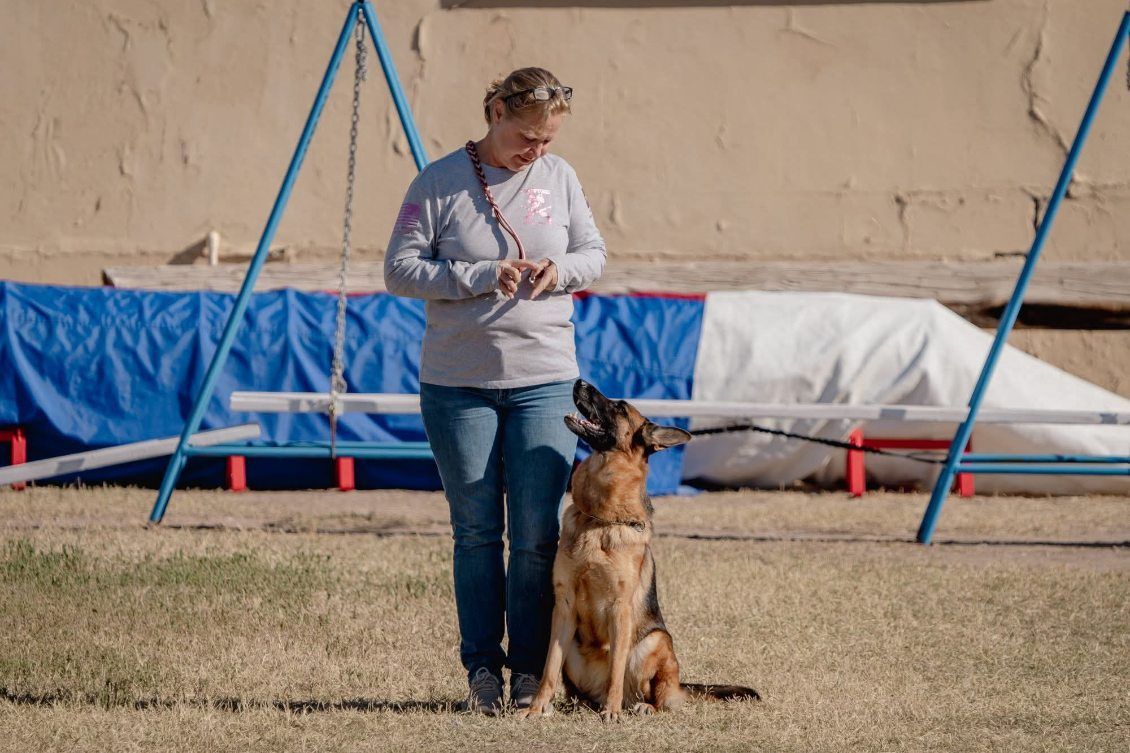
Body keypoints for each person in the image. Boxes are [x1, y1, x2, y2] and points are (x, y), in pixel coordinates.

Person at [383, 67, 606, 714]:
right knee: (477, 530)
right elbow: (400, 269)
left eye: (547, 140)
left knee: (536, 534)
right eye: (527, 136)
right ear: (495, 111)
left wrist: (558, 269)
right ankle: (483, 667)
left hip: (545, 379)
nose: (536, 151)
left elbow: (594, 253)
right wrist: (481, 274)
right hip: (459, 383)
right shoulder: (438, 181)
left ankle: (532, 674)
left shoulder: (560, 178)